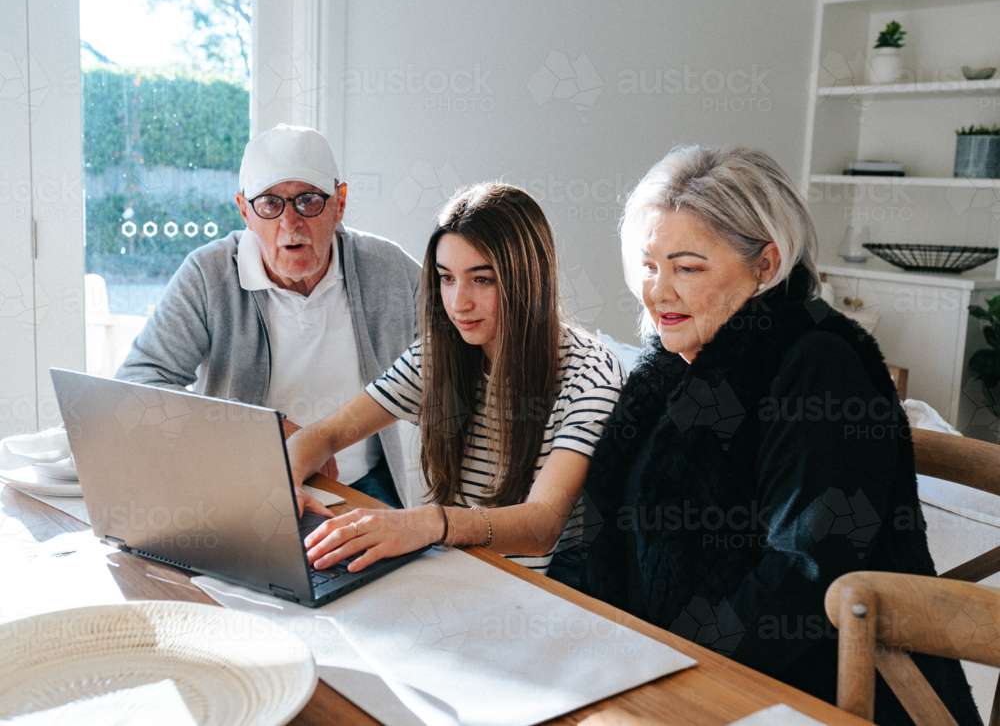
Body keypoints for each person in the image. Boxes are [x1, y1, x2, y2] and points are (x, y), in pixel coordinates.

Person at [581, 146, 979, 724]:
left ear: (765, 266)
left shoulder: (823, 367)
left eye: (688, 268)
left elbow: (805, 573)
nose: (658, 292)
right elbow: (607, 521)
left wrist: (678, 683)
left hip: (814, 697)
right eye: (648, 265)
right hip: (658, 671)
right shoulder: (670, 365)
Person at [286, 182, 626, 585]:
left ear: (529, 279)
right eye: (447, 278)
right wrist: (287, 484)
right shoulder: (440, 353)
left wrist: (430, 523)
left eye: (482, 280)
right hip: (455, 567)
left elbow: (542, 526)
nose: (458, 303)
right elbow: (322, 435)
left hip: (543, 589)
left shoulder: (590, 373)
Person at [115, 124, 420, 510]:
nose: (290, 223)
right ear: (245, 210)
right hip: (244, 480)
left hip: (362, 486)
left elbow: (453, 353)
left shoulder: (387, 268)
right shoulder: (208, 274)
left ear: (339, 203)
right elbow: (136, 388)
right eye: (270, 204)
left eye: (308, 201)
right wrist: (266, 430)